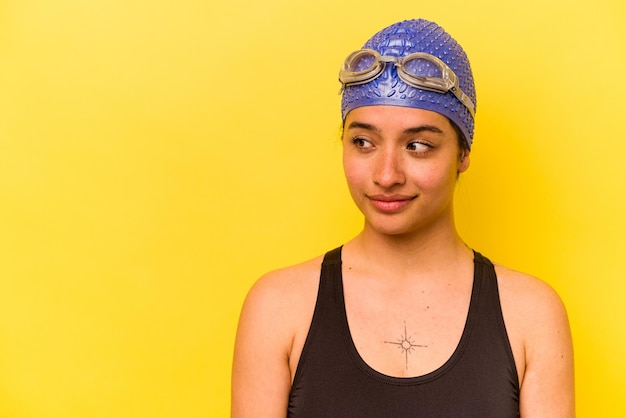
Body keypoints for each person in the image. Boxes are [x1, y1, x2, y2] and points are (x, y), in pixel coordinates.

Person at [231, 19, 574, 417]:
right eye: (363, 142)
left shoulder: (531, 316)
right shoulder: (277, 308)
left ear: (463, 154)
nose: (386, 175)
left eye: (417, 145)